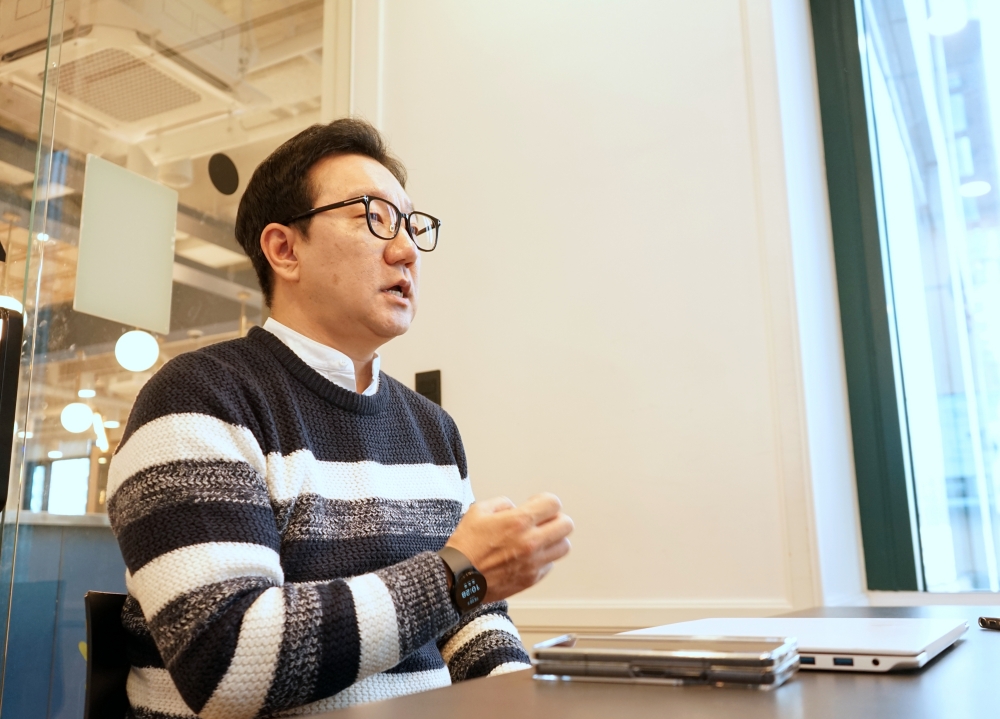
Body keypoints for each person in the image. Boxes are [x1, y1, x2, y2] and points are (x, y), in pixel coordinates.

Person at [106, 118, 574, 719]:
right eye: (373, 217)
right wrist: (458, 573)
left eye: (411, 226)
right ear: (285, 250)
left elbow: (470, 621)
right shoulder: (199, 396)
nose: (406, 250)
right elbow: (227, 662)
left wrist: (523, 698)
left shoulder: (433, 429)